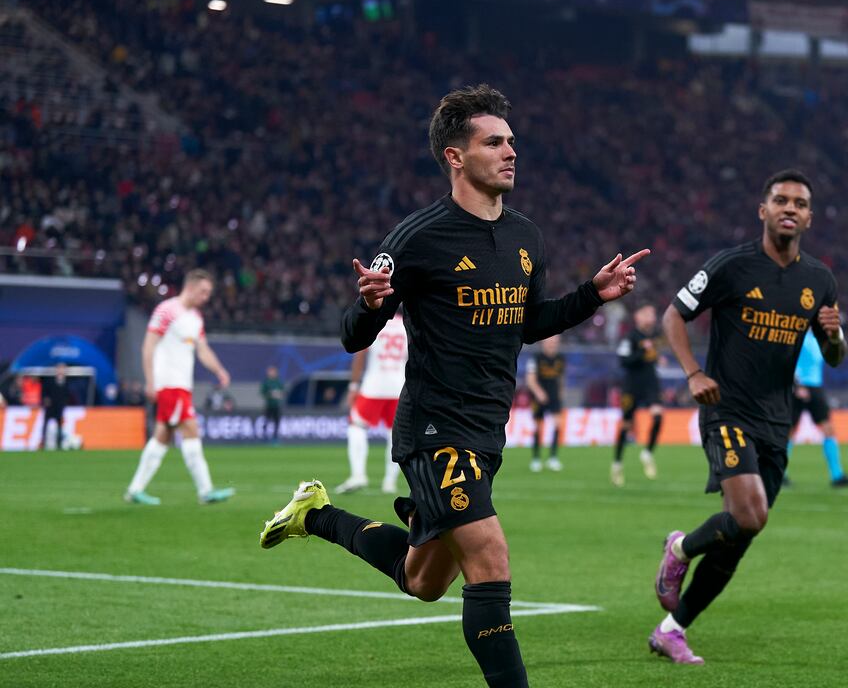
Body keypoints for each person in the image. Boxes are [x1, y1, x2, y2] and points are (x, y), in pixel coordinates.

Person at [258, 85, 647, 688]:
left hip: (488, 428)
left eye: (512, 141)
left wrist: (592, 295)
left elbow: (528, 324)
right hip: (434, 427)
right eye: (494, 142)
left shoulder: (527, 237)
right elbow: (350, 335)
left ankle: (317, 516)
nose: (511, 151)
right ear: (456, 156)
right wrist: (370, 306)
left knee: (424, 581)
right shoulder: (416, 238)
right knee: (490, 557)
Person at [650, 169, 845, 665]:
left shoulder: (819, 280)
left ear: (809, 217)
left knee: (741, 537)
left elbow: (835, 354)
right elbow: (673, 315)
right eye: (780, 200)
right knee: (748, 514)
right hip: (726, 410)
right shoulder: (731, 266)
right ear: (763, 210)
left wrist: (836, 334)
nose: (790, 208)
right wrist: (693, 373)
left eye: (799, 203)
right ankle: (679, 550)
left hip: (777, 423)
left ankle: (672, 630)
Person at [123, 269, 236, 506]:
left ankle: (135, 490)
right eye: (204, 292)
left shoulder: (195, 318)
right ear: (191, 287)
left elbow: (202, 350)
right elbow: (148, 346)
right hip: (169, 384)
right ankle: (205, 491)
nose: (206, 297)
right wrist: (151, 381)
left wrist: (219, 370)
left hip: (182, 386)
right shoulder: (167, 311)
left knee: (162, 436)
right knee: (191, 429)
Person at [336, 312, 408, 494]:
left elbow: (360, 353)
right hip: (399, 386)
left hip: (374, 386)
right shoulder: (407, 325)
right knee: (395, 434)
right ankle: (389, 482)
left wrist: (353, 386)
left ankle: (358, 475)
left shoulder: (378, 321)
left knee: (356, 426)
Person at [787, 330, 848, 488]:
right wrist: (797, 385)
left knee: (828, 429)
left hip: (815, 388)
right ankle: (780, 474)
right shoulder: (799, 337)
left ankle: (837, 475)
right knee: (789, 431)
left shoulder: (815, 338)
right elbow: (788, 359)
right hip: (800, 388)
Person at [612, 304, 663, 486]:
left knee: (658, 417)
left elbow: (652, 357)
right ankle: (617, 464)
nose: (652, 317)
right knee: (626, 426)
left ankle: (647, 453)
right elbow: (623, 361)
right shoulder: (631, 338)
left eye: (653, 314)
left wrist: (657, 358)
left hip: (651, 384)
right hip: (632, 386)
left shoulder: (654, 337)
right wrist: (642, 351)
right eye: (648, 313)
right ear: (638, 317)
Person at [526, 335, 565, 472]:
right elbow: (530, 379)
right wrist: (539, 393)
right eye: (550, 341)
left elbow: (560, 378)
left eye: (554, 342)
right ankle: (536, 459)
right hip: (539, 398)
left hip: (554, 397)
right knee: (538, 427)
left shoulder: (560, 359)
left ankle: (553, 458)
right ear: (543, 342)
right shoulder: (536, 358)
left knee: (558, 425)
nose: (552, 344)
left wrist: (560, 394)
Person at [42, 363, 75, 450]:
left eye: (63, 369)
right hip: (50, 406)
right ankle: (43, 442)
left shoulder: (67, 381)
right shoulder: (50, 380)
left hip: (59, 407)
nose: (61, 370)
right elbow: (45, 391)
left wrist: (65, 403)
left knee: (59, 425)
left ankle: (58, 443)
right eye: (59, 368)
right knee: (46, 424)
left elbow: (68, 395)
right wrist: (45, 399)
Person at [260, 365, 285, 445]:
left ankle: (275, 438)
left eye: (272, 371)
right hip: (269, 405)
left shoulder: (278, 382)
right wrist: (270, 394)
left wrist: (278, 395)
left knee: (277, 422)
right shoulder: (266, 382)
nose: (271, 373)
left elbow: (283, 393)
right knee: (266, 421)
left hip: (277, 405)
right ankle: (264, 437)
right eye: (270, 371)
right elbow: (263, 393)